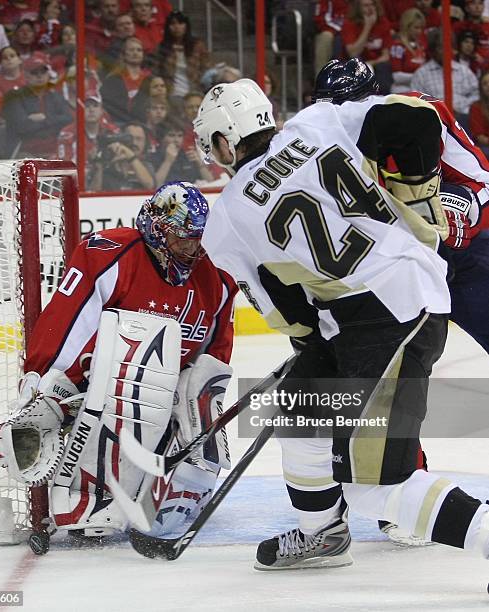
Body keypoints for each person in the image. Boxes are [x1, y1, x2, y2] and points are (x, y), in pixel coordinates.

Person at [193, 77, 489, 573]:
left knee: (377, 487)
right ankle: (322, 535)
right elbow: (414, 118)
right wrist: (419, 200)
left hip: (390, 318)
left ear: (224, 141)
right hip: (388, 303)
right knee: (300, 414)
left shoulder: (226, 221)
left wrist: (313, 339)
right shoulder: (316, 123)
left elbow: (286, 311)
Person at [288, 57, 489, 553]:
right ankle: (401, 479)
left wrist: (451, 215)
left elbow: (480, 179)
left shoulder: (419, 112)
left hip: (464, 261)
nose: (344, 113)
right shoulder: (318, 141)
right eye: (333, 104)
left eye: (351, 102)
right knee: (392, 378)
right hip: (399, 276)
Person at [0, 181, 238, 541]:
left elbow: (214, 358)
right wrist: (44, 387)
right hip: (98, 392)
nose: (191, 248)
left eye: (196, 238)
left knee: (198, 394)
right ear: (157, 227)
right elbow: (68, 325)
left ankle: (179, 485)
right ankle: (86, 493)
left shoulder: (217, 280)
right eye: (182, 238)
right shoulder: (111, 254)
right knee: (138, 363)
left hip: (161, 402)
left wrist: (202, 422)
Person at [3, 54, 72, 157]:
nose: (39, 76)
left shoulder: (55, 96)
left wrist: (44, 119)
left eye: (43, 72)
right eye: (34, 72)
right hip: (25, 152)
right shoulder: (14, 96)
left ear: (48, 74)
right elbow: (22, 127)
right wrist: (53, 121)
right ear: (25, 75)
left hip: (55, 150)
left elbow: (68, 119)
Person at [411, 29, 479, 128]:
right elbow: (415, 101)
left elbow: (476, 96)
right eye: (440, 47)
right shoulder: (422, 74)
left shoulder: (464, 71)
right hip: (433, 121)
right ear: (433, 50)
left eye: (448, 47)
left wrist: (461, 109)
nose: (445, 51)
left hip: (463, 119)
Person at [57, 90, 119, 190]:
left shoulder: (112, 131)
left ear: (102, 110)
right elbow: (65, 167)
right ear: (79, 110)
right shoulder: (67, 133)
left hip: (107, 178)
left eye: (95, 106)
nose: (91, 110)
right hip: (77, 182)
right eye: (87, 106)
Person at [341, 0, 392, 94]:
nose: (370, 8)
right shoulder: (349, 24)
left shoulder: (383, 23)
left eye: (372, 5)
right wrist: (368, 26)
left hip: (376, 64)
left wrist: (371, 63)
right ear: (358, 8)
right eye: (366, 5)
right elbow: (353, 53)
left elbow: (386, 56)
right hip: (355, 64)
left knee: (384, 67)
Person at [157, 11, 210, 99]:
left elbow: (206, 68)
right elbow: (157, 72)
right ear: (168, 27)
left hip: (195, 93)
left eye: (180, 23)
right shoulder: (162, 47)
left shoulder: (197, 46)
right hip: (170, 95)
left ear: (186, 26)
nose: (177, 27)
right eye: (173, 24)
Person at [100, 36, 151, 125]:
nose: (135, 53)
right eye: (131, 50)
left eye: (139, 50)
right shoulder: (113, 79)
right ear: (123, 54)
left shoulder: (151, 79)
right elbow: (108, 106)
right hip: (118, 123)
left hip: (144, 124)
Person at [152, 116, 214, 185]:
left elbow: (211, 183)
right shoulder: (153, 157)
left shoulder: (188, 156)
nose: (176, 140)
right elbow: (155, 186)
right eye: (171, 135)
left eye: (180, 136)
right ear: (161, 138)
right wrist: (168, 161)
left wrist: (199, 163)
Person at [101, 121, 155, 190]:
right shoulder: (108, 165)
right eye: (130, 138)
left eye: (139, 139)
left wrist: (130, 156)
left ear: (145, 144)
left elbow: (150, 185)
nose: (134, 143)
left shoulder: (147, 167)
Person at [389, 8, 427, 94]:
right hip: (401, 90)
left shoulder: (421, 46)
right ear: (407, 26)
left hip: (419, 89)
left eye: (421, 28)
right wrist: (419, 76)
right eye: (416, 28)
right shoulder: (398, 47)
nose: (419, 31)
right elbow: (396, 76)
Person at [469, 70, 489, 155]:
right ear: (481, 88)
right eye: (485, 84)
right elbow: (480, 137)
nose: (488, 86)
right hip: (485, 146)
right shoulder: (476, 107)